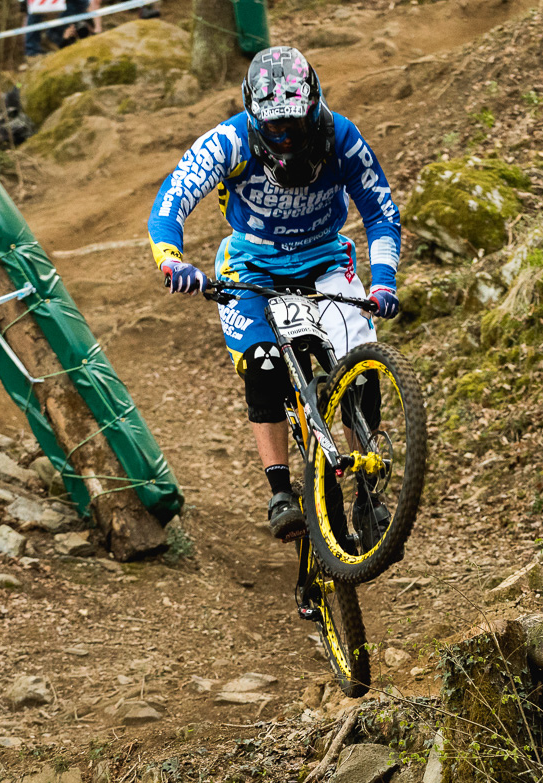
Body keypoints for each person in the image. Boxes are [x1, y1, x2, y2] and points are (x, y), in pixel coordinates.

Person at [148, 46, 401, 541]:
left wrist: (385, 278)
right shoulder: (230, 141)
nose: (284, 136)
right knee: (263, 363)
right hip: (251, 264)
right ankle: (281, 491)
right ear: (252, 115)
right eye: (273, 127)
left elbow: (380, 210)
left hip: (326, 257)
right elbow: (173, 196)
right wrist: (172, 259)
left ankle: (370, 493)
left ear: (314, 107)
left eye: (294, 124)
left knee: (359, 369)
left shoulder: (341, 138)